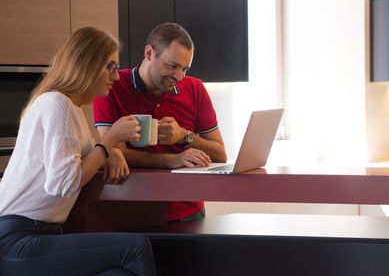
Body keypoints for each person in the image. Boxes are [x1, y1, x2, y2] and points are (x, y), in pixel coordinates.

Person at [0, 27, 157, 276]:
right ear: (86, 64)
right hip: (18, 241)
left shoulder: (70, 109)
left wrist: (110, 150)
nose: (116, 77)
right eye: (110, 66)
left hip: (35, 236)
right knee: (135, 248)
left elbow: (84, 156)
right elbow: (63, 182)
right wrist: (109, 143)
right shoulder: (57, 104)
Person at [93, 22, 227, 222]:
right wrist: (173, 160)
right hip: (133, 212)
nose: (179, 77)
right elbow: (114, 151)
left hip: (188, 211)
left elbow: (220, 154)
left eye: (185, 69)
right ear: (149, 53)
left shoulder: (195, 88)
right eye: (173, 66)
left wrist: (184, 136)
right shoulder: (112, 86)